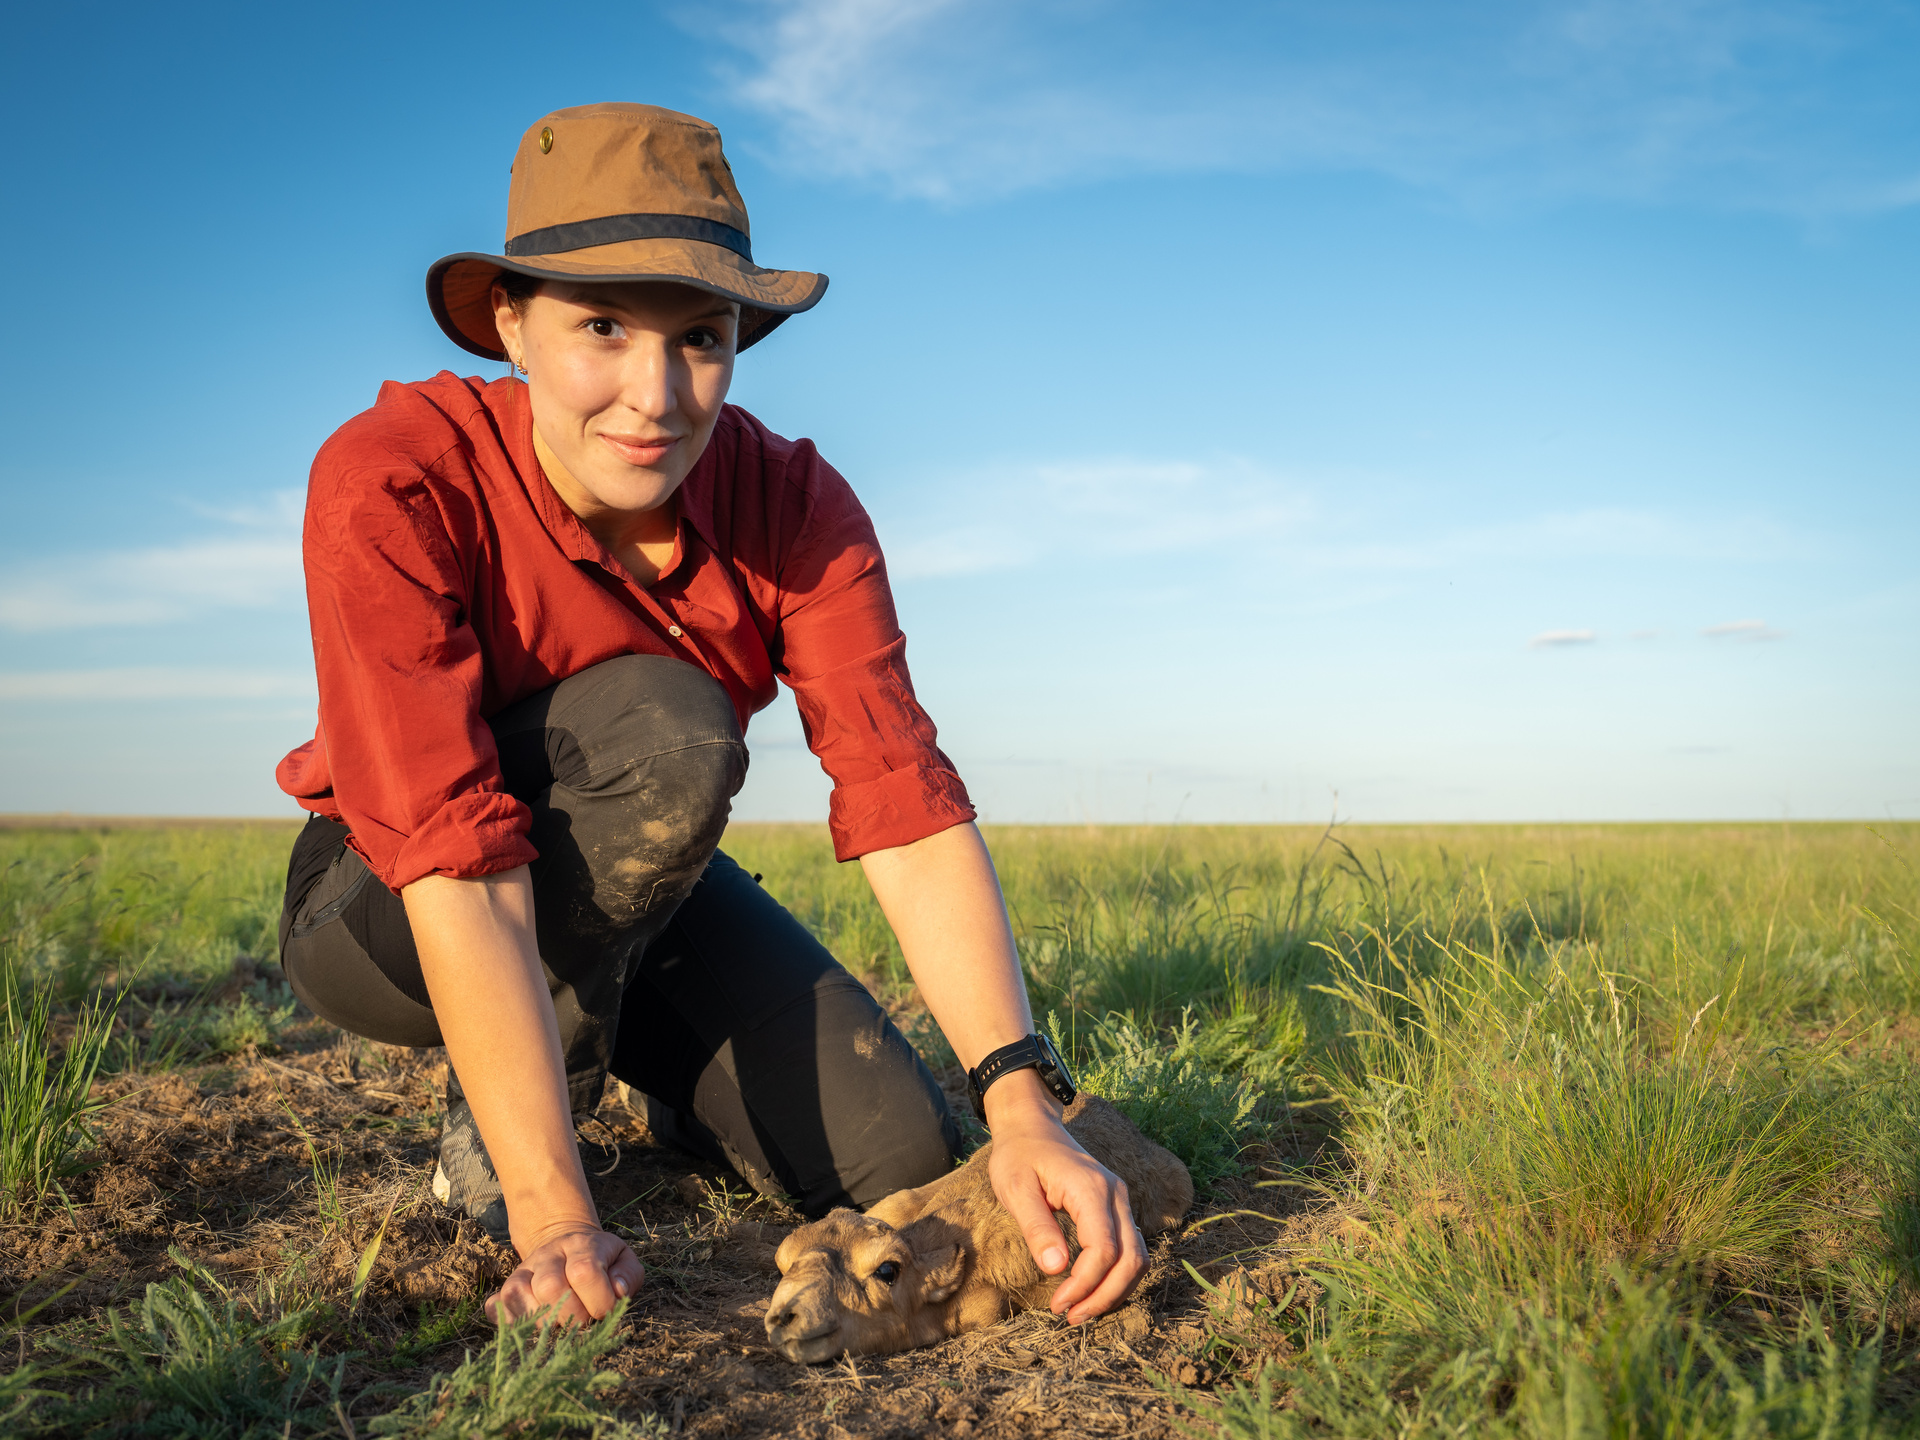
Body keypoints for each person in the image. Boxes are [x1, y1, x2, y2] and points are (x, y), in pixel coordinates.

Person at [274, 103, 1147, 1329]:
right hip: (384, 906)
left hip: (640, 882)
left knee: (898, 1157)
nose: (655, 394)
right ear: (512, 325)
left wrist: (1020, 1106)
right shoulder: (395, 474)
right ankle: (522, 1123)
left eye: (700, 337)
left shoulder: (795, 504)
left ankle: (668, 1079)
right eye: (601, 328)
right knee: (666, 727)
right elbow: (449, 851)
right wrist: (556, 1219)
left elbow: (899, 797)